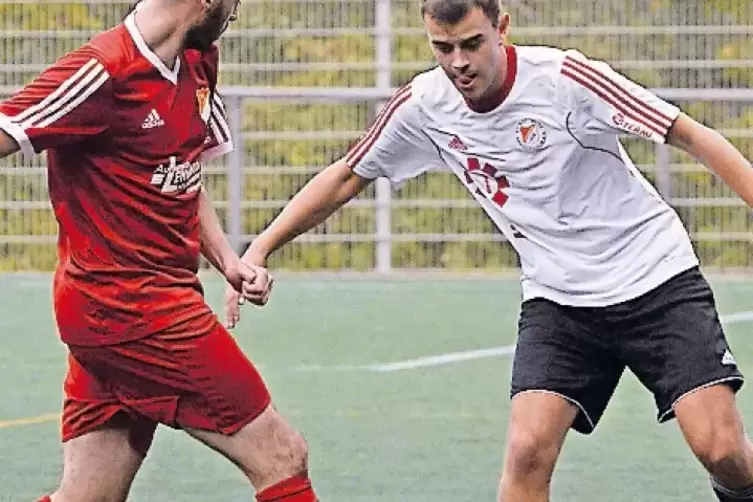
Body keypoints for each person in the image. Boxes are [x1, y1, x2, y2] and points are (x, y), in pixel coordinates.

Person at [225, 0, 753, 500]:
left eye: (472, 44)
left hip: (654, 278)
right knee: (526, 452)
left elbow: (692, 136)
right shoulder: (424, 104)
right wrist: (261, 248)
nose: (459, 63)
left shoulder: (567, 79)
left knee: (721, 450)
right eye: (443, 48)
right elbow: (345, 176)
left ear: (502, 28)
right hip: (559, 298)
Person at [0, 1, 318, 501]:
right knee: (281, 455)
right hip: (132, 310)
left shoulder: (197, 60)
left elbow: (183, 169)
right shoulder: (101, 71)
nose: (237, 11)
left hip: (124, 313)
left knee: (89, 495)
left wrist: (228, 262)